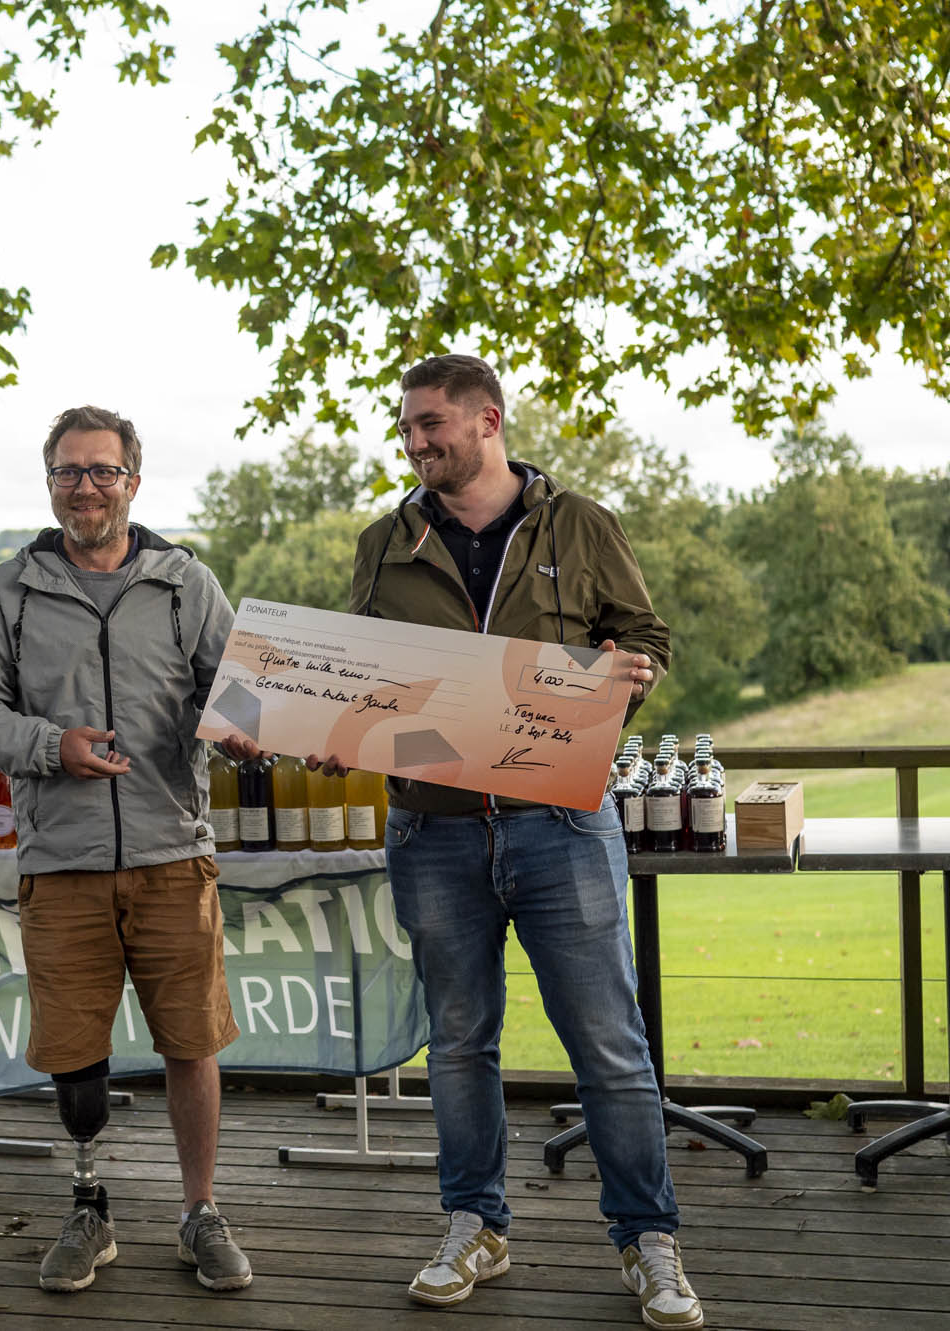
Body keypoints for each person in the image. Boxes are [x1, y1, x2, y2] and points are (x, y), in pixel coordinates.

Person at [322, 353, 698, 1330]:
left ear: (487, 420)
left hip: (560, 825)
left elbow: (646, 637)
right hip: (432, 832)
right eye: (406, 427)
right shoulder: (383, 542)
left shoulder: (580, 525)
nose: (413, 441)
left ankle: (647, 1239)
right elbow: (360, 677)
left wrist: (625, 676)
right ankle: (474, 1226)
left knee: (608, 1044)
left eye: (430, 424)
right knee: (456, 1042)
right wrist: (327, 725)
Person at [0, 404, 250, 1295]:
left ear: (133, 482)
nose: (87, 487)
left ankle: (200, 1211)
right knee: (75, 1058)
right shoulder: (7, 592)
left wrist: (245, 731)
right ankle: (89, 1206)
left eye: (103, 471)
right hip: (61, 863)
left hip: (172, 855)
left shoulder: (187, 585)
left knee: (192, 1041)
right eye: (69, 471)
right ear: (50, 484)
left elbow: (240, 693)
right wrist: (52, 745)